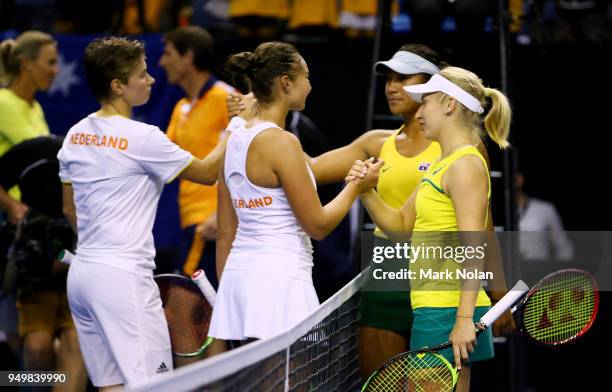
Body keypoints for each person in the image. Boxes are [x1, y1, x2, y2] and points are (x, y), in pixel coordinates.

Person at [228, 44, 512, 378]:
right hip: (397, 279)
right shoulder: (385, 145)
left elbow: (479, 230)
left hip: (446, 290)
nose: (393, 87)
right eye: (389, 79)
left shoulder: (463, 154)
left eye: (405, 79)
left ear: (444, 96)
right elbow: (309, 169)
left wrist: (495, 293)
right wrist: (262, 121)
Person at [58, 37, 234, 389]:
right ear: (118, 86)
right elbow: (206, 172)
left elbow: (69, 209)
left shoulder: (74, 135)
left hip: (81, 277)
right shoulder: (142, 136)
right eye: (142, 74)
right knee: (154, 386)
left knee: (112, 385)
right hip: (123, 279)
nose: (151, 79)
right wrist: (235, 127)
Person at [348, 66, 511, 392]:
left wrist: (464, 320)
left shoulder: (464, 165)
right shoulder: (443, 165)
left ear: (450, 104)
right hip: (437, 307)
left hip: (447, 309)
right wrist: (365, 189)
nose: (418, 112)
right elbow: (400, 227)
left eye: (426, 103)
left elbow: (473, 247)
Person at [209, 42, 372, 342]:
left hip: (237, 280)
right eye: (306, 77)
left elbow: (225, 232)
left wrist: (230, 293)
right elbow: (318, 226)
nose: (309, 86)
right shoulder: (283, 144)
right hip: (279, 282)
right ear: (286, 82)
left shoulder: (232, 140)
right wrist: (357, 187)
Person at [0, 136, 87, 391]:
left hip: (76, 273)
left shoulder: (91, 164)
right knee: (35, 353)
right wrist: (15, 208)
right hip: (32, 278)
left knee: (75, 345)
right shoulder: (35, 151)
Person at [159, 26, 235, 285]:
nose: (161, 62)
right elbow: (163, 157)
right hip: (191, 223)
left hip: (217, 224)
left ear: (188, 57)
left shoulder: (227, 98)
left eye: (168, 54)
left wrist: (226, 213)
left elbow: (249, 155)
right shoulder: (180, 107)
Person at [0, 29, 58, 365]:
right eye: (49, 62)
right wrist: (11, 206)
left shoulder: (34, 106)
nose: (55, 69)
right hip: (13, 239)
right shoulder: (4, 104)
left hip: (40, 232)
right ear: (26, 64)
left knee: (49, 343)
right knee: (19, 340)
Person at [516, 170, 574, 260]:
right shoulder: (488, 213)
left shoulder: (545, 209)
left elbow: (564, 248)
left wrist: (557, 272)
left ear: (519, 179)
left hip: (539, 272)